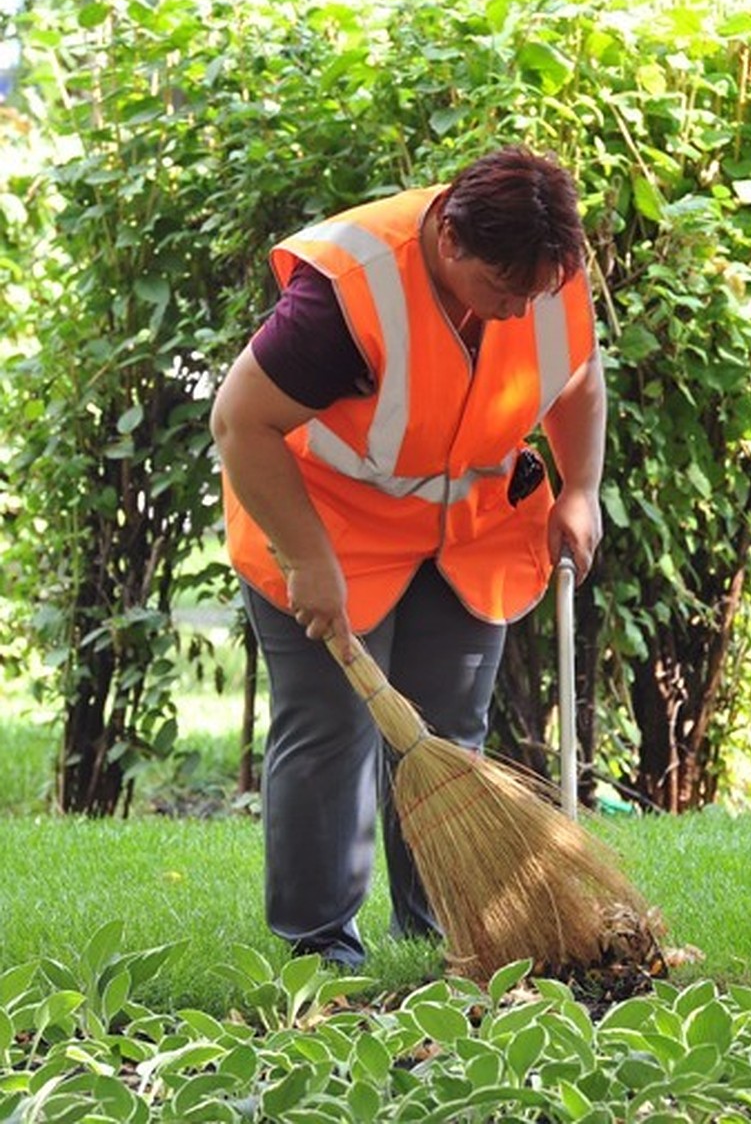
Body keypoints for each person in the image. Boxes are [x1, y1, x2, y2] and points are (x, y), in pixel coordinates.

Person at [210, 146, 606, 969]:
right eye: (504, 293)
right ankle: (322, 950)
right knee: (332, 731)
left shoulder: (542, 270)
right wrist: (308, 562)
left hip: (465, 534)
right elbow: (239, 422)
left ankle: (445, 928)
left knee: (450, 733)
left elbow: (576, 377)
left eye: (533, 294)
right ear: (453, 242)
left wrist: (580, 488)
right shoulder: (348, 293)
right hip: (329, 528)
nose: (515, 311)